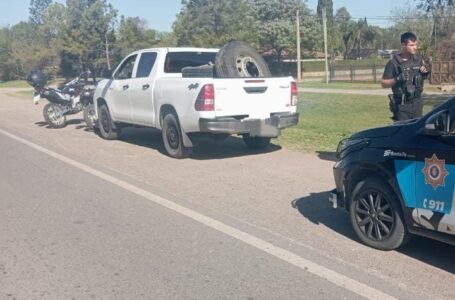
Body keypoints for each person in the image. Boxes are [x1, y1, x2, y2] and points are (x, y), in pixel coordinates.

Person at [382, 32, 430, 121]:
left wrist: (425, 73)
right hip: (402, 105)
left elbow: (420, 78)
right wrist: (397, 79)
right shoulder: (393, 63)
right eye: (411, 45)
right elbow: (384, 83)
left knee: (416, 131)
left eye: (415, 44)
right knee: (403, 132)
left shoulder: (418, 59)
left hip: (417, 103)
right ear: (403, 45)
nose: (415, 47)